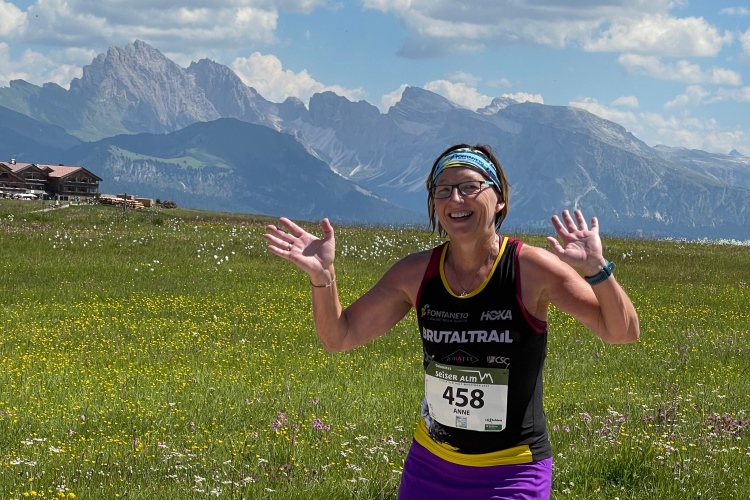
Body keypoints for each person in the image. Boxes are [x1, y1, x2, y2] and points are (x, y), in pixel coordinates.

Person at [264, 143, 639, 499]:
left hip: (513, 470)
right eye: (442, 190)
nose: (455, 199)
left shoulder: (531, 268)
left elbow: (621, 331)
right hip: (431, 466)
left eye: (469, 187)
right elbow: (339, 336)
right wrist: (323, 277)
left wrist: (597, 269)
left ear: (499, 199)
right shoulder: (415, 274)